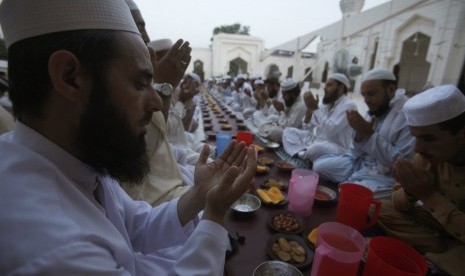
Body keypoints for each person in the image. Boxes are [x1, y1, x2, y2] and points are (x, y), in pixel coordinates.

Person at [0, 1, 256, 275]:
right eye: (140, 83)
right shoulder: (54, 248)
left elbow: (137, 225)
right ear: (70, 76)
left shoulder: (77, 155)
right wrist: (215, 213)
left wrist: (201, 195)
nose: (158, 102)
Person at [377, 85, 465, 276]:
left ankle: (439, 254)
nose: (417, 148)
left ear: (462, 136)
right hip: (436, 226)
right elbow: (397, 205)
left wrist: (428, 195)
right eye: (415, 137)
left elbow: (428, 199)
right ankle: (441, 250)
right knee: (377, 208)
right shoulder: (426, 157)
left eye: (428, 139)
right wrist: (410, 191)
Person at [121, 0, 194, 205]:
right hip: (156, 204)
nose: (146, 37)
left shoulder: (167, 86)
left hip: (176, 181)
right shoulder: (119, 91)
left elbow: (172, 142)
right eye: (138, 27)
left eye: (144, 27)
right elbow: (138, 159)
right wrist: (163, 86)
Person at [313, 68, 414, 198]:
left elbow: (402, 164)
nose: (366, 100)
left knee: (352, 194)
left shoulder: (406, 115)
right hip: (361, 164)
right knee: (319, 166)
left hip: (385, 175)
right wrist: (359, 137)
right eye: (364, 95)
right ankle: (356, 182)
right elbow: (355, 153)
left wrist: (368, 135)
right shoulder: (374, 110)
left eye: (371, 94)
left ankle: (357, 185)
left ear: (390, 90)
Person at [282, 73, 358, 162]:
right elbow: (308, 128)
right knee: (288, 132)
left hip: (335, 147)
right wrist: (309, 115)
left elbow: (331, 130)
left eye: (329, 85)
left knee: (316, 148)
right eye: (325, 85)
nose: (325, 88)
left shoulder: (349, 105)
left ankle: (303, 153)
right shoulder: (325, 105)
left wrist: (315, 109)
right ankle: (303, 154)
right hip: (317, 140)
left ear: (340, 88)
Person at [258, 78, 307, 143]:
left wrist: (282, 110)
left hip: (295, 135)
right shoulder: (290, 100)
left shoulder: (301, 105)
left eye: (284, 95)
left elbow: (289, 127)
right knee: (271, 118)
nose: (283, 97)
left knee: (275, 132)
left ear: (293, 94)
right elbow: (280, 119)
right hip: (284, 127)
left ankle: (268, 133)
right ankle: (267, 132)